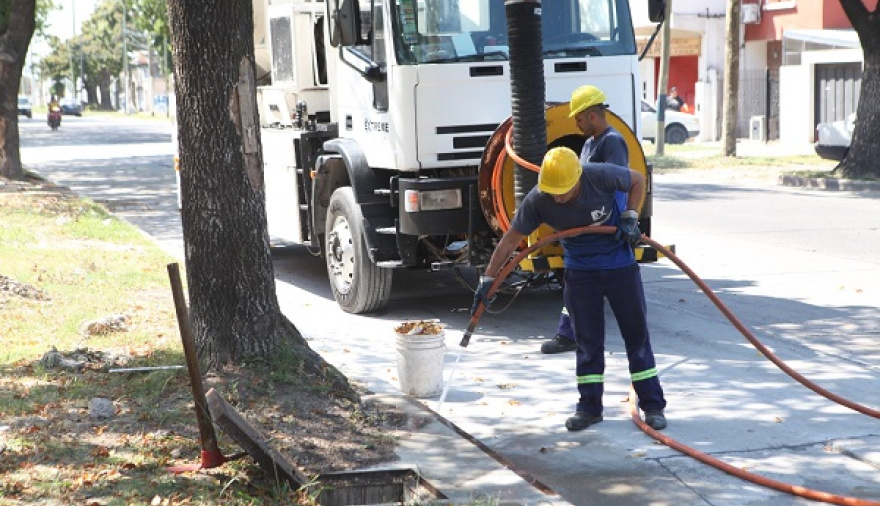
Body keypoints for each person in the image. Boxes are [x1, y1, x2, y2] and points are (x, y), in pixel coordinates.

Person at [472, 146, 668, 431]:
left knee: (636, 337)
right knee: (587, 343)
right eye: (553, 191)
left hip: (619, 267)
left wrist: (629, 216)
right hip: (580, 273)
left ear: (579, 177)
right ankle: (589, 408)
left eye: (564, 190)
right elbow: (510, 240)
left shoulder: (598, 175)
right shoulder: (539, 198)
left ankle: (652, 405)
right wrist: (488, 279)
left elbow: (637, 179)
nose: (558, 197)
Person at [540, 85, 629, 355]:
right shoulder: (590, 144)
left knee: (582, 280)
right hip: (585, 224)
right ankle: (574, 332)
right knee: (577, 280)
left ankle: (571, 334)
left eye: (579, 118)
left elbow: (621, 184)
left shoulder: (612, 142)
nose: (576, 124)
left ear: (592, 115)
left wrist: (620, 220)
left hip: (602, 225)